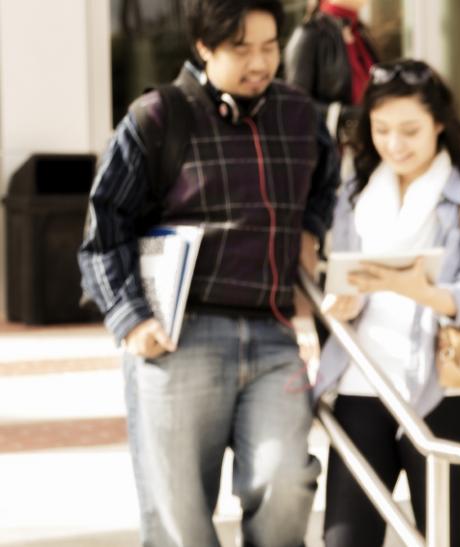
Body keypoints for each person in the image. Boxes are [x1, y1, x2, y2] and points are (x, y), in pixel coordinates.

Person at [77, 0, 337, 544]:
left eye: (269, 47)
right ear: (203, 46)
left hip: (272, 337)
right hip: (179, 338)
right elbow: (104, 230)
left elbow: (326, 178)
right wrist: (131, 320)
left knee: (287, 481)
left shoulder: (299, 115)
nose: (260, 63)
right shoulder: (157, 116)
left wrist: (309, 230)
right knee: (180, 523)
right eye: (241, 50)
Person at [313, 59, 460, 547]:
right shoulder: (355, 191)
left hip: (446, 380)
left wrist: (402, 282)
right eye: (381, 130)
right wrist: (345, 301)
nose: (394, 144)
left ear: (439, 124)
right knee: (345, 535)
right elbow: (345, 278)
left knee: (441, 531)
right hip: (363, 374)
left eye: (409, 130)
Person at [285, 0, 379, 139]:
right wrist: (347, 115)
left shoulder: (361, 31)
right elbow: (295, 105)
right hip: (331, 148)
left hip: (366, 144)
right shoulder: (309, 33)